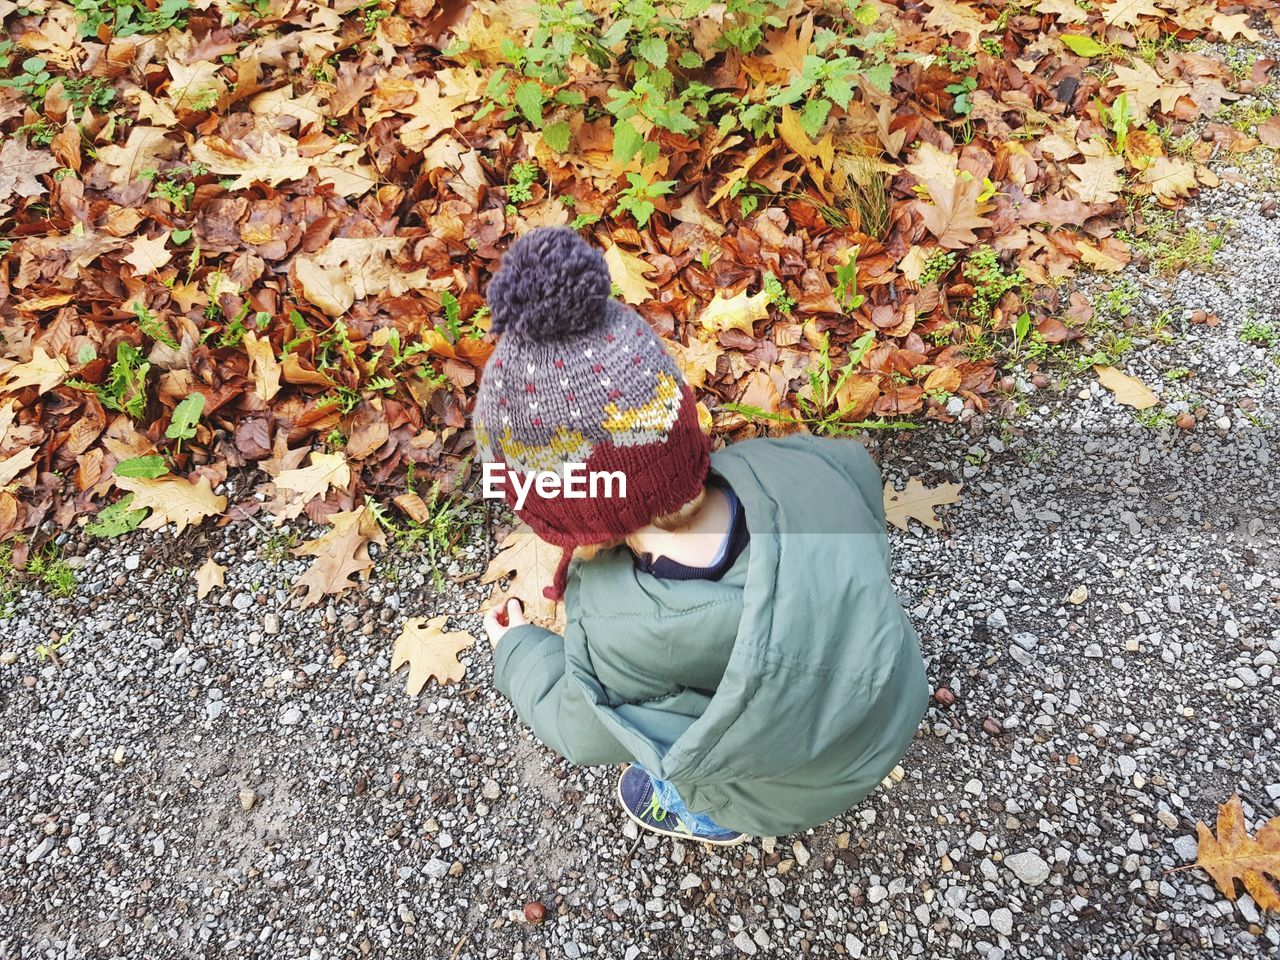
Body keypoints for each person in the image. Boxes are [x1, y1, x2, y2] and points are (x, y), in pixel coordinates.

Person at [475, 227, 928, 844]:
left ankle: (708, 817)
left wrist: (517, 651)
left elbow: (583, 727)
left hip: (781, 786)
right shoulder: (798, 466)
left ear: (586, 520)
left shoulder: (622, 626)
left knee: (671, 761)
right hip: (886, 699)